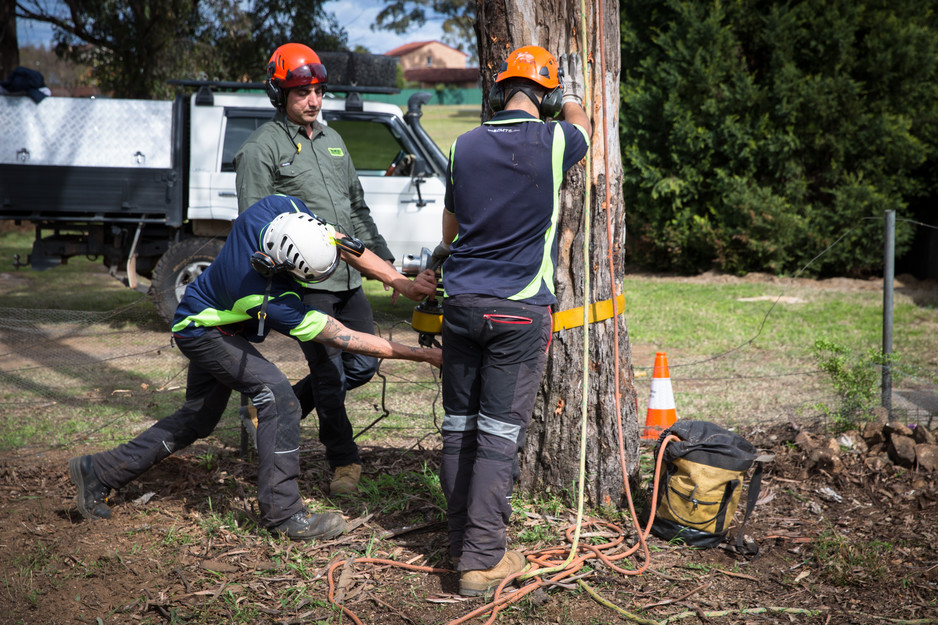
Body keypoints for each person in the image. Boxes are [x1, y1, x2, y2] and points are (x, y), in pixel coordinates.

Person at [68, 194, 441, 541]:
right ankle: (283, 514)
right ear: (278, 264)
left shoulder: (279, 208)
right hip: (204, 332)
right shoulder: (260, 293)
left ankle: (99, 471)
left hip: (210, 320)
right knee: (278, 398)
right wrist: (423, 355)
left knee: (199, 419)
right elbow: (343, 336)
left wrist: (400, 282)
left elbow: (342, 242)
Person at [435, 46, 592, 596]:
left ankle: (459, 543)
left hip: (460, 303)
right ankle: (481, 560)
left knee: (459, 427)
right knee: (498, 436)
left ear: (500, 90)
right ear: (543, 96)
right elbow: (582, 126)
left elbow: (451, 232)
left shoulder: (462, 143)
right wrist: (570, 90)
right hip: (519, 308)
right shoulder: (554, 140)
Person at [234, 43, 395, 496]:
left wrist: (386, 264)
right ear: (279, 94)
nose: (314, 100)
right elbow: (255, 225)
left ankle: (273, 408)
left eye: (318, 90)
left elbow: (357, 209)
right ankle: (344, 462)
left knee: (362, 365)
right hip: (306, 284)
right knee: (329, 375)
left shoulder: (334, 141)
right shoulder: (261, 149)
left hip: (349, 279)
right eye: (302, 92)